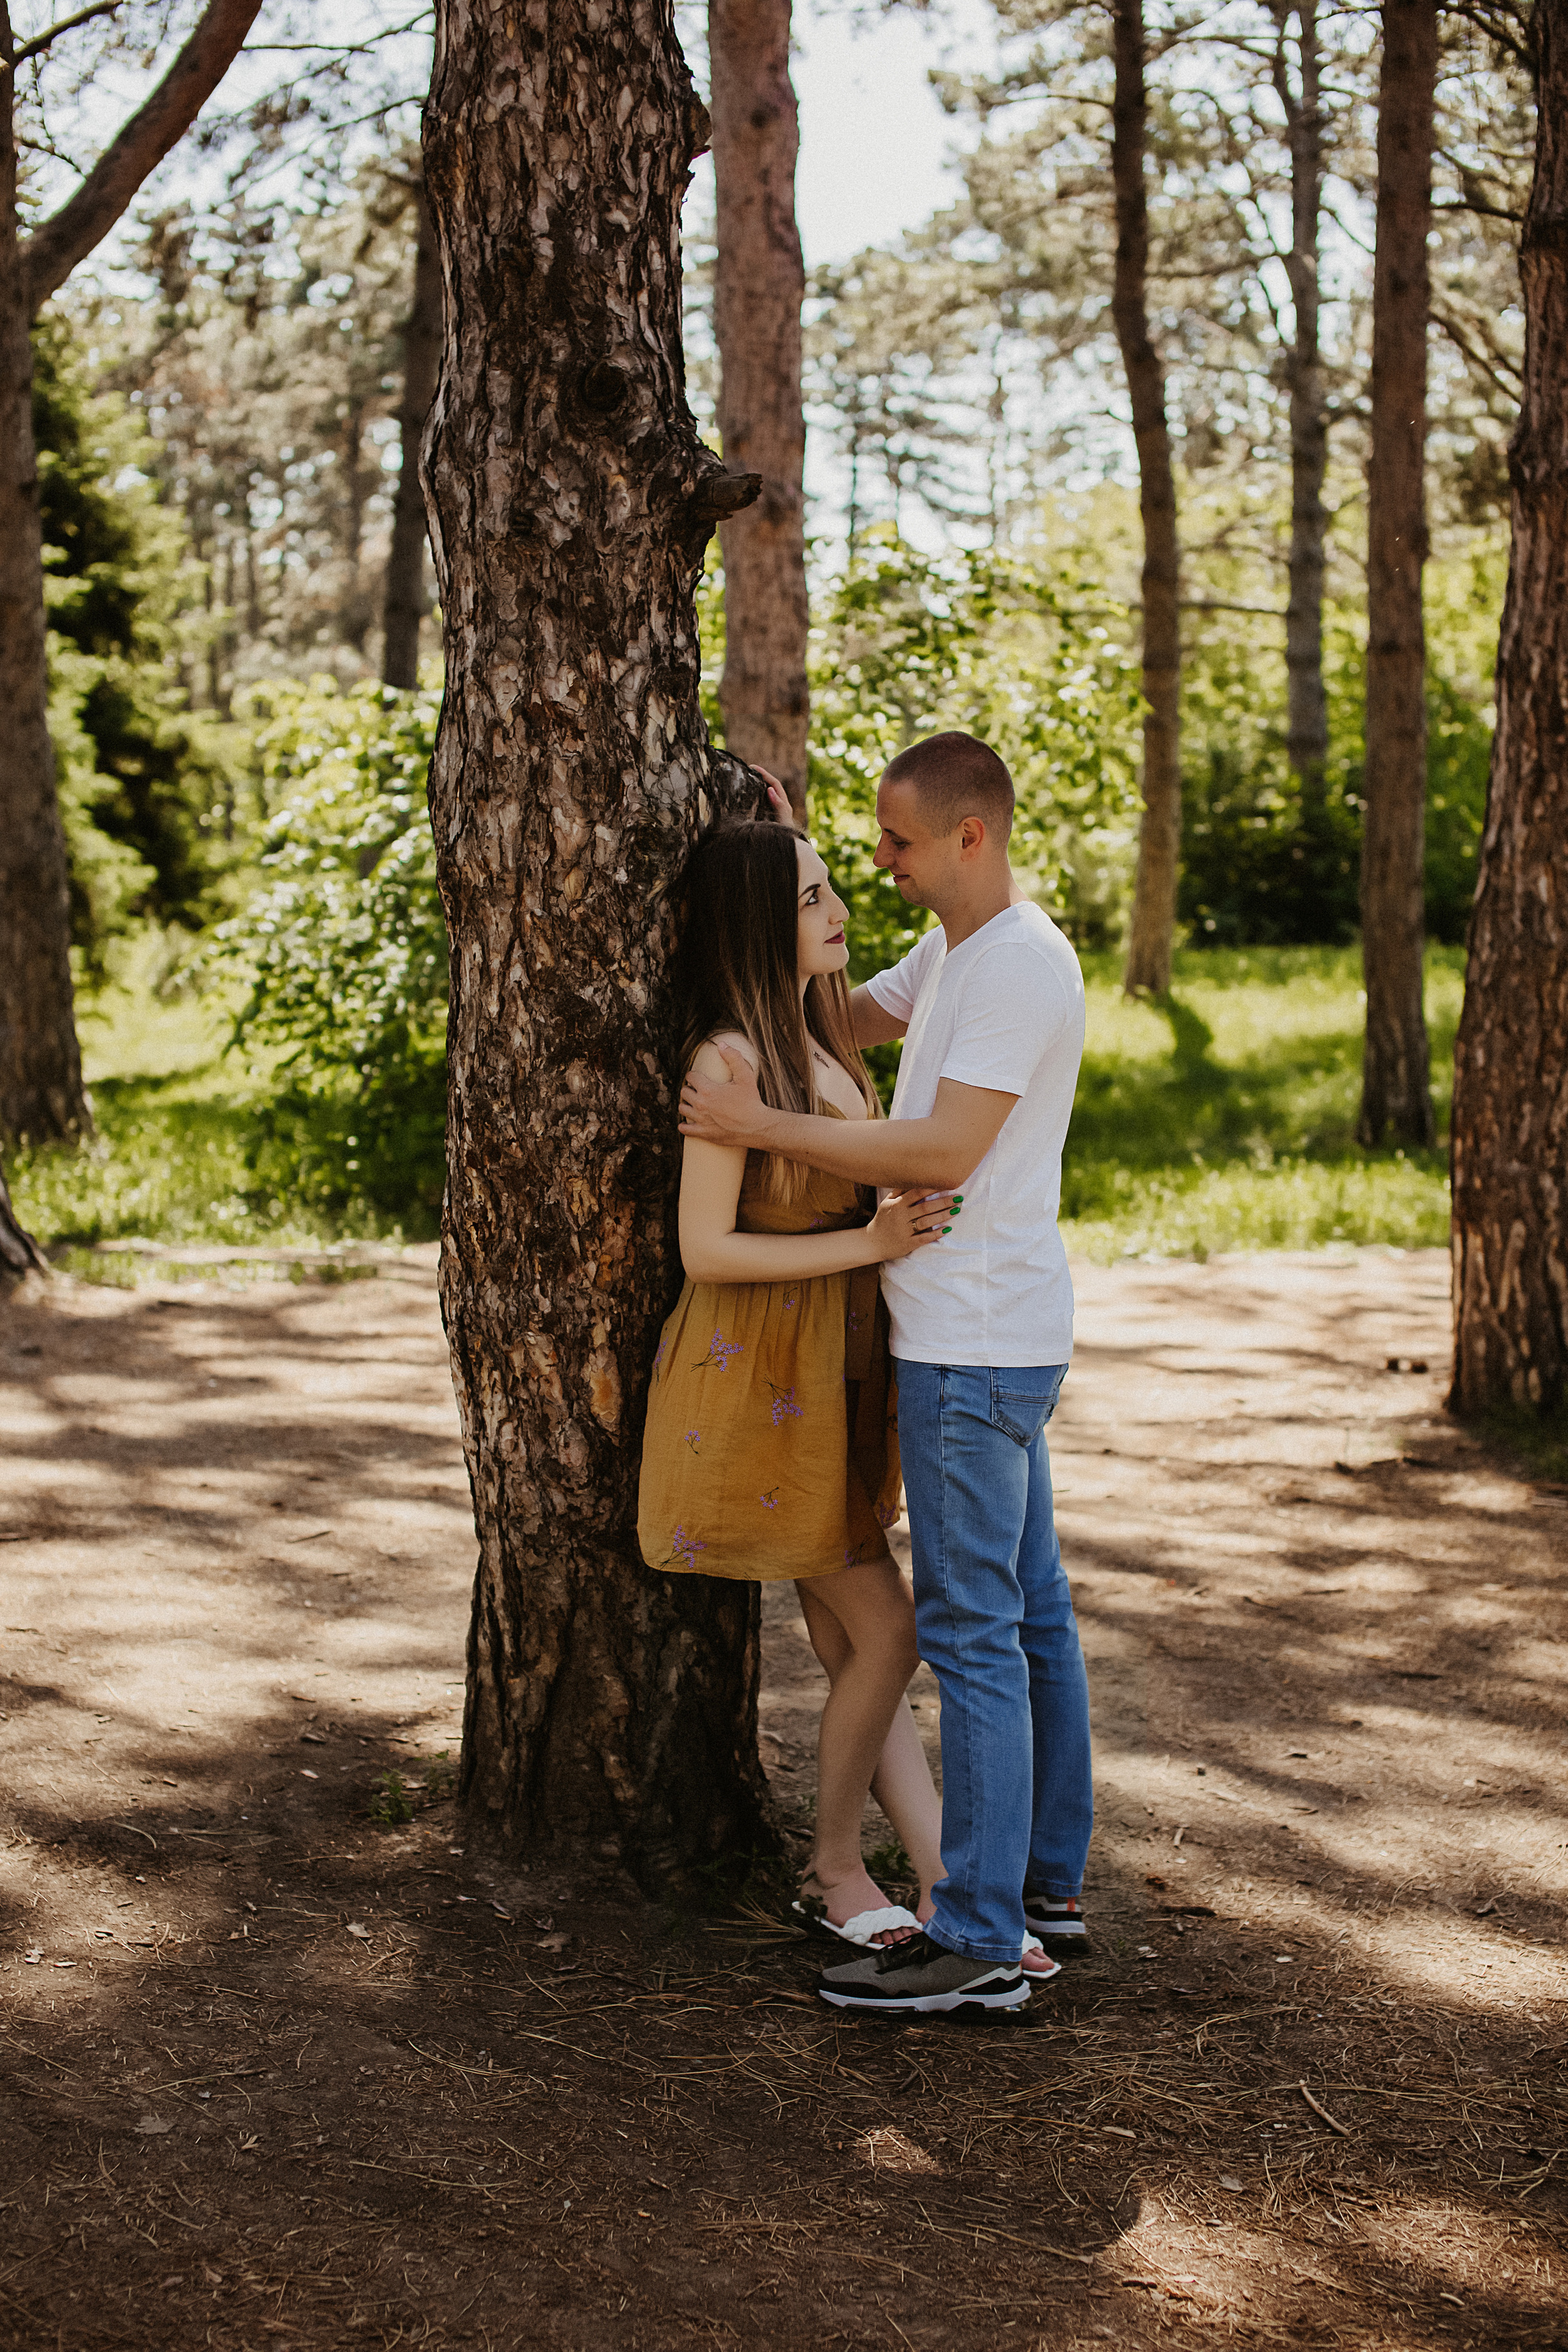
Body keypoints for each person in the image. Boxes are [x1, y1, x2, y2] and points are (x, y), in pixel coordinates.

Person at [679, 731, 1091, 2015]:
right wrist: (764, 877)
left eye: (897, 844)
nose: (879, 867)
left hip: (970, 1347)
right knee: (1026, 1619)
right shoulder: (958, 952)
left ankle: (973, 1937)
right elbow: (832, 1008)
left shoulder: (1016, 963)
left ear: (970, 836)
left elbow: (949, 1146)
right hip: (984, 1336)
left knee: (971, 1635)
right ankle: (1039, 1888)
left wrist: (754, 1127)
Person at [638, 812, 951, 1948]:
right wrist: (869, 1246)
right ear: (758, 922)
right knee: (890, 1633)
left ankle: (941, 1876)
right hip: (759, 1371)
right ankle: (830, 1869)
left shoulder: (821, 1041)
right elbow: (705, 1250)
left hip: (834, 1366)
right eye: (812, 897)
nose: (840, 911)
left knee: (854, 1646)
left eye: (830, 890)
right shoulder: (725, 1061)